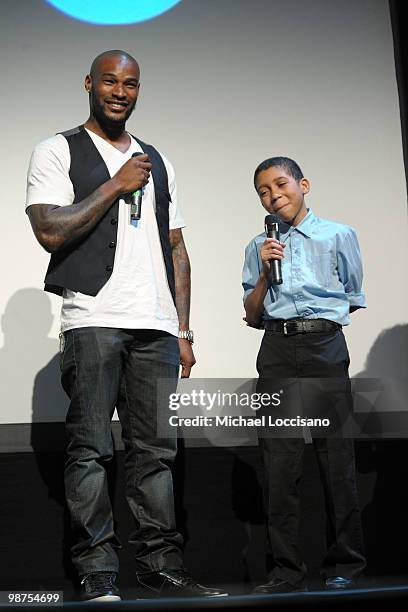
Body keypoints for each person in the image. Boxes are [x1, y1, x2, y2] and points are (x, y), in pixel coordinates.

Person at [26, 49, 227, 602]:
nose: (120, 91)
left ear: (139, 90)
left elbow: (176, 245)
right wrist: (114, 185)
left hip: (157, 326)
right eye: (110, 81)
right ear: (89, 83)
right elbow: (49, 231)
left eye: (131, 84)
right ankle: (98, 572)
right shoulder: (55, 150)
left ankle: (160, 565)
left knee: (156, 453)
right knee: (90, 449)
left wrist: (182, 330)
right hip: (94, 320)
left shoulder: (156, 159)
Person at [242, 156, 366, 593]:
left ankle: (344, 564)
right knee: (279, 464)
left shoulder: (339, 235)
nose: (274, 196)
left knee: (336, 459)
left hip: (324, 347)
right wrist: (263, 271)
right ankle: (286, 570)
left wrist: (317, 326)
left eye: (280, 185)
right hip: (276, 348)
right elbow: (251, 313)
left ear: (303, 185)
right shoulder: (259, 243)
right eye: (263, 191)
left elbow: (351, 295)